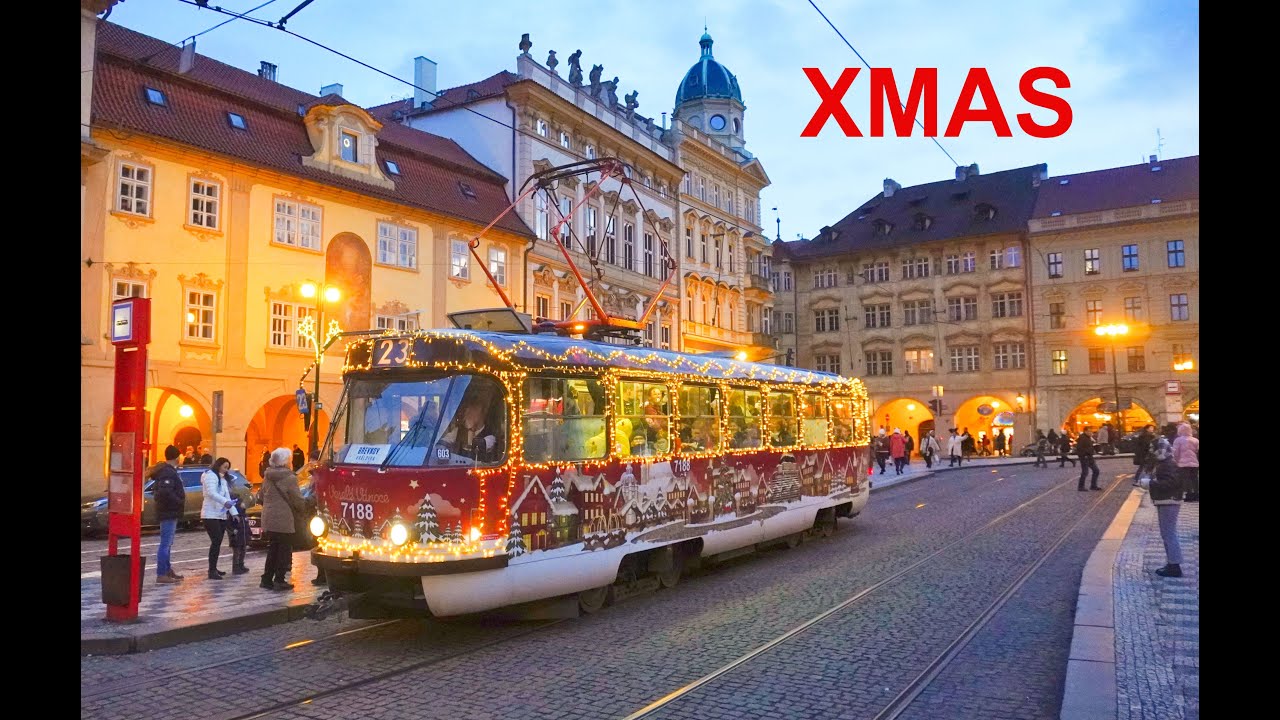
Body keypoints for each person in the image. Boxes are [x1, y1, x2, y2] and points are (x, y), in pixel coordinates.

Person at [261, 447, 307, 591]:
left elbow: (262, 496)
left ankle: (267, 579)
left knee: (273, 547)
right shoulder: (289, 477)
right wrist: (304, 509)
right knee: (284, 549)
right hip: (284, 518)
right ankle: (279, 579)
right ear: (286, 462)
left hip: (268, 516)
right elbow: (298, 499)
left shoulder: (267, 475)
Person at [1142, 426, 1183, 577]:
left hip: (1169, 501)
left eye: (1153, 449)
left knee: (1168, 533)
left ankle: (1174, 565)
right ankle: (1172, 562)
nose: (1151, 452)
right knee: (1167, 533)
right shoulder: (1165, 462)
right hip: (1165, 500)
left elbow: (1171, 483)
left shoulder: (1168, 464)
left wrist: (1150, 484)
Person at [152, 445, 186, 584]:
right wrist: (179, 501)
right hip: (168, 512)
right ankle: (161, 573)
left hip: (168, 511)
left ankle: (167, 570)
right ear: (177, 457)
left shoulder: (168, 471)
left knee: (168, 543)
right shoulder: (168, 472)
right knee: (165, 543)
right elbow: (165, 492)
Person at [200, 457, 236, 580]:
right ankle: (211, 570)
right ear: (218, 465)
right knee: (215, 541)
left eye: (227, 468)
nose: (226, 470)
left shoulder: (223, 479)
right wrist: (225, 502)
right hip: (210, 514)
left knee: (218, 542)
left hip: (220, 514)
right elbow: (211, 492)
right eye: (224, 467)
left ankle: (214, 568)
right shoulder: (211, 476)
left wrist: (234, 512)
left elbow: (227, 495)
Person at [440, 395, 504, 463]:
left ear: (482, 413)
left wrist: (471, 429)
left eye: (473, 409)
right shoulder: (459, 431)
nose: (467, 413)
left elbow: (475, 454)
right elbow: (444, 442)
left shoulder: (490, 436)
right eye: (467, 410)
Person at [226, 467, 254, 575]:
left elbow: (246, 522)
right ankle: (236, 566)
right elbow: (229, 524)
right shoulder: (233, 514)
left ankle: (241, 564)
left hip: (242, 532)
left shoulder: (243, 515)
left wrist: (249, 532)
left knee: (243, 549)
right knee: (237, 550)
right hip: (236, 533)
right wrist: (232, 531)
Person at [1173, 422, 1199, 502]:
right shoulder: (1195, 440)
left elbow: (1175, 452)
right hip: (1194, 463)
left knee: (1185, 479)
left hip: (1182, 463)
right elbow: (1197, 451)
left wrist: (1176, 461)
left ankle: (1189, 495)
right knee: (1194, 478)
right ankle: (1196, 494)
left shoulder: (1178, 440)